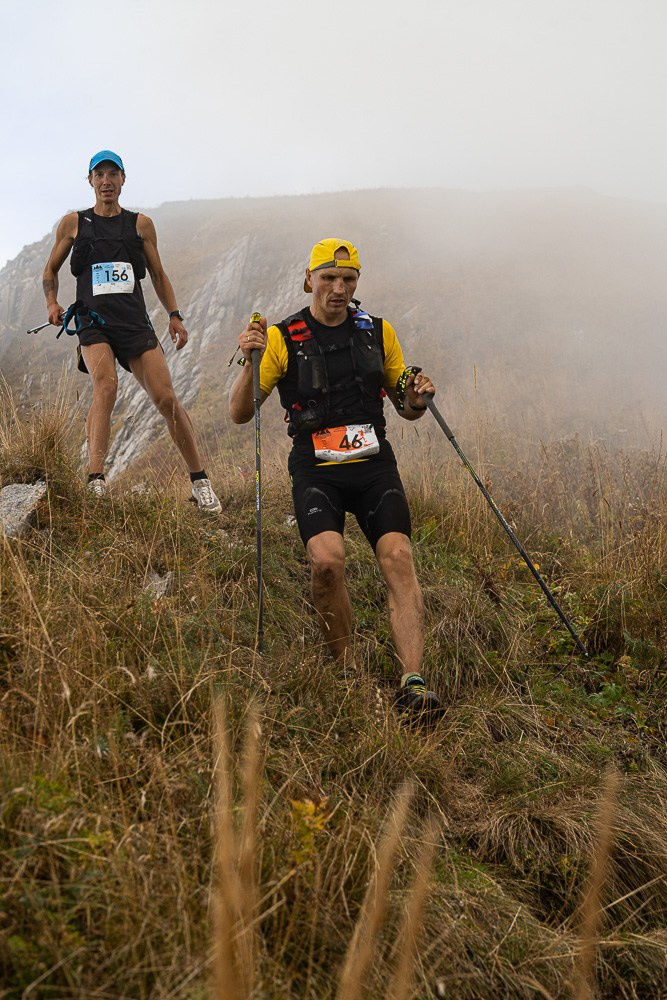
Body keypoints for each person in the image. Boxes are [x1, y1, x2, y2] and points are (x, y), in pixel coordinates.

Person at [229, 238, 443, 720]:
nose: (338, 288)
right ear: (309, 280)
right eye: (328, 278)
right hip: (316, 466)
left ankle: (413, 682)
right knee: (326, 563)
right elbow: (240, 413)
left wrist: (417, 398)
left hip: (373, 465)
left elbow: (405, 407)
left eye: (348, 279)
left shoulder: (378, 332)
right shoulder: (282, 337)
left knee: (399, 557)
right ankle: (348, 673)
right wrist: (248, 361)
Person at [41, 150, 221, 511]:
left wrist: (174, 315)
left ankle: (201, 482)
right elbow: (50, 271)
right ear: (90, 181)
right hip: (93, 321)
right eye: (99, 175)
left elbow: (158, 275)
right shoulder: (74, 223)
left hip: (134, 323)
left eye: (113, 174)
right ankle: (96, 479)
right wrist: (52, 303)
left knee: (166, 399)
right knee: (106, 385)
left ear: (123, 179)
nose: (106, 181)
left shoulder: (141, 225)